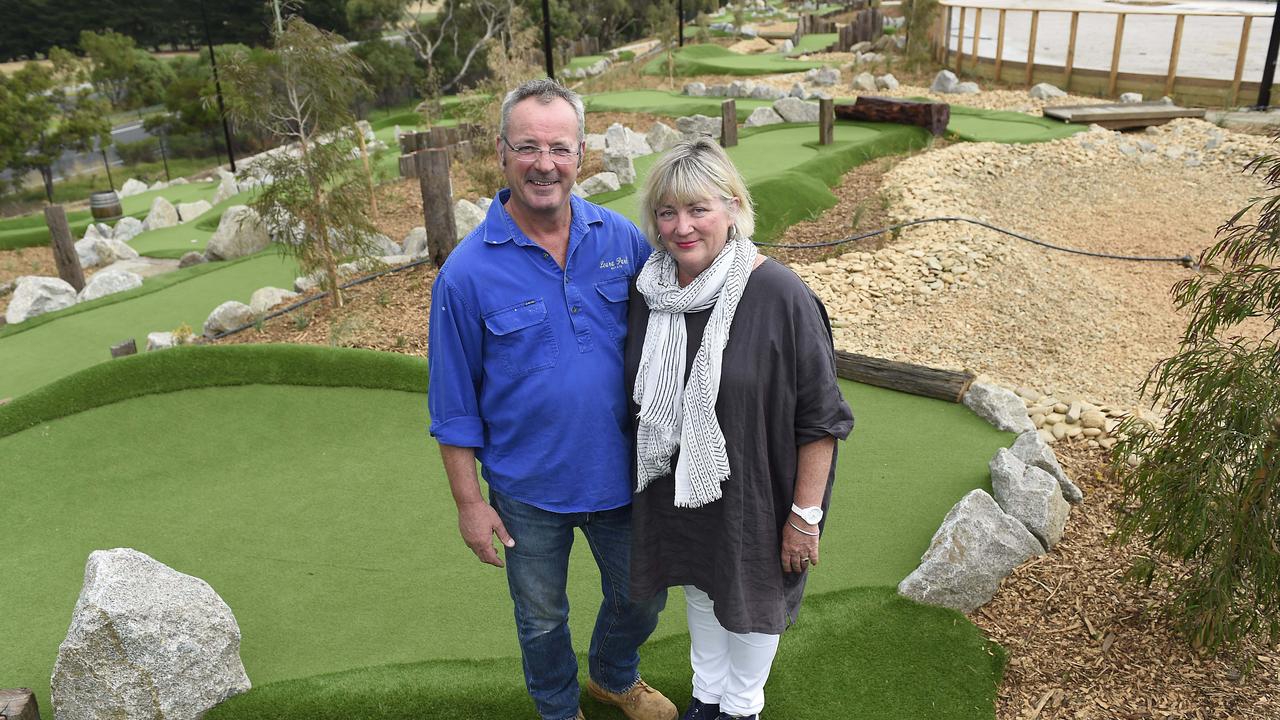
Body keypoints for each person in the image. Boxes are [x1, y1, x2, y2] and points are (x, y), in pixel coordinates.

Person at [427, 79, 677, 720]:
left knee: (643, 597)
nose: (545, 163)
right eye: (529, 147)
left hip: (625, 477)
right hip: (525, 491)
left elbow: (689, 300)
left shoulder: (621, 239)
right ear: (502, 153)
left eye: (560, 148)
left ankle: (614, 676)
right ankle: (558, 709)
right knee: (541, 621)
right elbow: (453, 404)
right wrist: (468, 503)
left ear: (582, 151)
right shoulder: (465, 272)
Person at [624, 138, 855, 720]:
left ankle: (741, 707)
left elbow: (821, 419)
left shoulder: (780, 293)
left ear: (731, 207)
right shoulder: (652, 293)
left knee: (749, 596)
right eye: (667, 212)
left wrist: (805, 518)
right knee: (702, 584)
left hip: (758, 494)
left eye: (698, 209)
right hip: (679, 486)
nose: (682, 227)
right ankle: (707, 699)